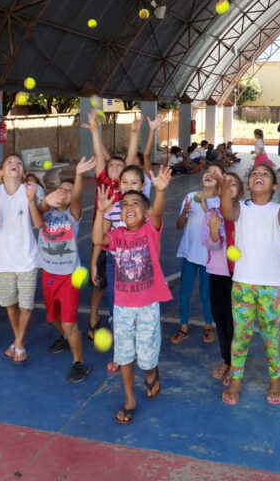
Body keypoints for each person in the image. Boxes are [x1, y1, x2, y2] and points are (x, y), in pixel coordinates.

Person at [92, 167, 173, 425]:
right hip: (123, 307)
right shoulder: (117, 235)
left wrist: (160, 191)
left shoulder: (150, 230)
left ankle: (151, 371)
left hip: (147, 304)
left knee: (146, 357)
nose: (129, 207)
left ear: (146, 212)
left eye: (136, 203)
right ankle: (129, 400)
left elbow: (157, 212)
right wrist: (101, 212)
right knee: (124, 355)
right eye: (124, 204)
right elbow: (98, 238)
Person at [219, 164, 280, 406]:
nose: (258, 176)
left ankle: (276, 380)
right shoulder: (241, 208)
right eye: (254, 174)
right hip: (242, 284)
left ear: (274, 186)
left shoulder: (277, 210)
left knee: (271, 336)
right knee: (240, 337)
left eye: (265, 175)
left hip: (271, 286)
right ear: (248, 185)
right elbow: (227, 213)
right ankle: (236, 380)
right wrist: (224, 190)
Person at [38, 156, 96, 383]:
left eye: (68, 191)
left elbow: (78, 196)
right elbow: (39, 207)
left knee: (70, 322)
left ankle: (78, 362)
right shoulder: (45, 213)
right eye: (60, 188)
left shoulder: (72, 216)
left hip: (69, 277)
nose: (63, 192)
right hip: (48, 274)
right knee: (52, 316)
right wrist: (45, 198)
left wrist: (78, 175)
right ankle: (64, 335)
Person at [0, 153, 43, 363]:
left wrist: (31, 200)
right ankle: (18, 340)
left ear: (23, 172)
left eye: (19, 163)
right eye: (9, 163)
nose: (14, 165)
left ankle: (19, 343)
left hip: (27, 259)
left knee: (26, 306)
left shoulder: (29, 190)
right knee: (10, 304)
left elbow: (38, 223)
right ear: (1, 172)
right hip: (3, 259)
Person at [83, 110, 125, 344]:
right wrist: (94, 130)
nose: (115, 166)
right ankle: (93, 319)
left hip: (124, 244)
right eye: (112, 164)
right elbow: (99, 155)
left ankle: (120, 322)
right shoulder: (104, 182)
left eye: (120, 164)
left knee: (120, 286)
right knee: (98, 283)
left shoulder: (129, 186)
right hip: (103, 239)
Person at [170, 164, 223, 345]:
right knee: (184, 293)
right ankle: (183, 327)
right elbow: (179, 226)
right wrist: (183, 214)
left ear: (221, 180)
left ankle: (208, 326)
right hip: (189, 254)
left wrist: (207, 206)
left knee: (206, 294)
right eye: (207, 171)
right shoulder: (190, 197)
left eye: (215, 173)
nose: (209, 175)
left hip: (209, 258)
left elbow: (220, 230)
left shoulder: (221, 202)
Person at [202, 172, 243, 384]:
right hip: (218, 275)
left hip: (242, 276)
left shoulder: (246, 213)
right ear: (219, 191)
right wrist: (214, 232)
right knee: (221, 320)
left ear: (241, 191)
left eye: (233, 184)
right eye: (224, 185)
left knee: (237, 322)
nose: (228, 188)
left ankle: (237, 364)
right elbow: (211, 245)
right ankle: (227, 360)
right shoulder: (211, 215)